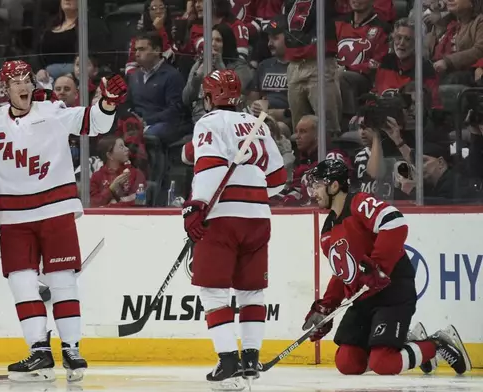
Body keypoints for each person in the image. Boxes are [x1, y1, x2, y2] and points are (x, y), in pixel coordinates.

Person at [0, 60, 127, 382]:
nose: (23, 85)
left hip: (55, 209)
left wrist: (108, 103)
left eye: (26, 79)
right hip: (14, 217)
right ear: (4, 89)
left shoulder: (53, 112)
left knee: (62, 282)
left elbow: (95, 123)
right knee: (22, 283)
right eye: (15, 81)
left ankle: (71, 349)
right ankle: (39, 351)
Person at [302, 158, 472, 376]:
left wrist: (378, 268)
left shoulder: (359, 203)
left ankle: (438, 343)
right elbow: (344, 273)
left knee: (384, 363)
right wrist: (326, 308)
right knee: (347, 363)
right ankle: (408, 342)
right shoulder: (327, 231)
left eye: (317, 185)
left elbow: (395, 222)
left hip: (393, 289)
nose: (312, 192)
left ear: (334, 186)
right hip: (365, 298)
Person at [182, 69, 287, 389]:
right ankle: (251, 361)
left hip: (223, 217)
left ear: (210, 97)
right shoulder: (257, 125)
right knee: (251, 290)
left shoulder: (209, 122)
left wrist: (196, 205)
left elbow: (211, 167)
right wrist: (250, 188)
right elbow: (279, 180)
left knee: (214, 291)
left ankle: (228, 361)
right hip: (258, 217)